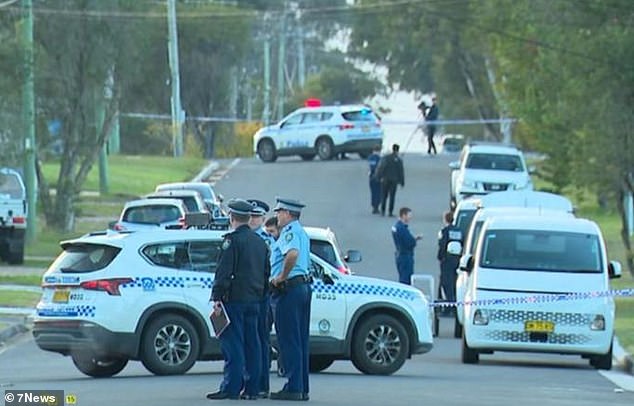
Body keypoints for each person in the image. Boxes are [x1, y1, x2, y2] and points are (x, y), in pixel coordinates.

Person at [206, 199, 270, 401]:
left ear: (232, 217)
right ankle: (252, 388)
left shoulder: (231, 241)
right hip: (255, 300)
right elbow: (265, 273)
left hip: (234, 300)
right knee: (253, 345)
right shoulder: (260, 242)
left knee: (233, 345)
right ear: (249, 218)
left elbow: (223, 272)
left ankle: (231, 387)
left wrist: (217, 297)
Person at [269, 197, 312, 401]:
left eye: (279, 212)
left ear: (287, 213)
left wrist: (281, 277)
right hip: (302, 287)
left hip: (289, 289)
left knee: (289, 340)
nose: (277, 216)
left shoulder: (289, 232)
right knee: (300, 339)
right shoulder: (301, 231)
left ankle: (293, 386)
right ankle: (301, 386)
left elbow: (292, 254)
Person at [247, 199, 274, 399]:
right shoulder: (241, 237)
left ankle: (262, 383)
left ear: (263, 219)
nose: (252, 220)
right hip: (245, 295)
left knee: (261, 340)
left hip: (263, 296)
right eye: (250, 216)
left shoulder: (268, 241)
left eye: (256, 217)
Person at [436, 211, 462, 314]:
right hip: (457, 259)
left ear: (445, 220)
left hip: (447, 260)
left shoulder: (445, 231)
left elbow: (442, 245)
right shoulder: (459, 231)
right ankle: (455, 305)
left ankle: (448, 307)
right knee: (455, 281)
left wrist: (440, 257)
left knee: (446, 283)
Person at [391, 207, 422, 285]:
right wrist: (414, 240)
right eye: (409, 215)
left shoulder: (396, 227)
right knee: (406, 279)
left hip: (399, 254)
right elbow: (409, 242)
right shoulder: (402, 228)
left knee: (403, 276)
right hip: (405, 256)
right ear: (404, 215)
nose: (410, 217)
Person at [375, 143, 405, 217]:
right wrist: (402, 182)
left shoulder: (386, 158)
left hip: (385, 179)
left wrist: (378, 176)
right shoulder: (399, 160)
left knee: (384, 196)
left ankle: (383, 211)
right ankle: (390, 212)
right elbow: (401, 171)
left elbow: (381, 167)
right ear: (398, 150)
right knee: (392, 196)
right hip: (394, 180)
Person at [368, 145, 382, 214]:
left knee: (373, 192)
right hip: (378, 177)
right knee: (378, 192)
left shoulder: (370, 157)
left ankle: (374, 206)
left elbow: (371, 167)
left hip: (371, 177)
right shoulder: (379, 158)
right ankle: (376, 206)